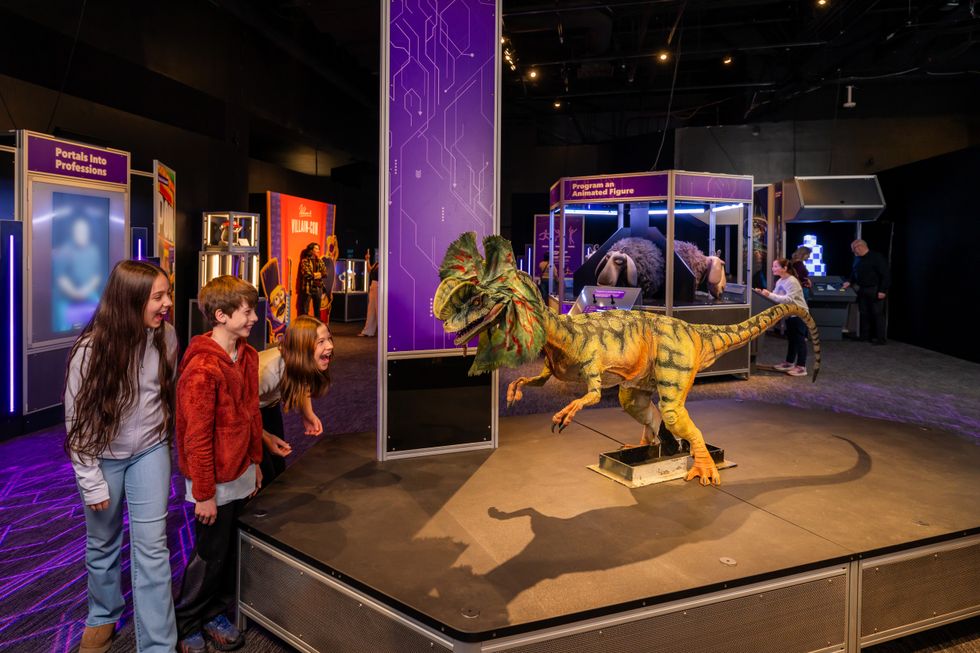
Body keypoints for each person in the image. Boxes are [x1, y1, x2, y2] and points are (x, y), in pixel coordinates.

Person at [64, 260, 177, 653]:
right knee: (103, 542)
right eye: (158, 297)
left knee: (152, 547)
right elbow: (76, 422)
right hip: (102, 457)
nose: (167, 304)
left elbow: (164, 394)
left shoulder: (167, 337)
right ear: (129, 300)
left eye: (168, 294)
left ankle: (159, 645)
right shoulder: (90, 350)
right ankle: (103, 614)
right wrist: (91, 480)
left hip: (150, 449)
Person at [173, 276, 264, 653]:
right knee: (208, 556)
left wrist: (255, 461)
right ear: (221, 316)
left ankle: (214, 613)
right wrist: (205, 494)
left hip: (241, 471)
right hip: (213, 484)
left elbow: (252, 414)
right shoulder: (201, 369)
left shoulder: (247, 355)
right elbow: (196, 438)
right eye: (247, 312)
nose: (255, 318)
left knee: (229, 552)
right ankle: (188, 621)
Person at [258, 315, 333, 483]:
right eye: (321, 342)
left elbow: (303, 381)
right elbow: (238, 409)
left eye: (328, 339)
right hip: (244, 414)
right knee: (263, 472)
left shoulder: (300, 362)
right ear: (302, 347)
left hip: (269, 405)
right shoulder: (268, 372)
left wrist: (308, 413)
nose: (330, 346)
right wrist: (264, 436)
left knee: (278, 465)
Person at [754, 258, 809, 377]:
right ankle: (789, 363)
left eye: (775, 266)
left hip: (799, 313)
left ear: (784, 268)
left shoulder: (792, 281)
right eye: (773, 266)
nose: (773, 268)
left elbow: (789, 299)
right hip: (790, 314)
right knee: (792, 339)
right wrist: (762, 294)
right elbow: (775, 296)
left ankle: (801, 367)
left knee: (799, 340)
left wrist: (770, 294)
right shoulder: (780, 281)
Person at [842, 239, 890, 345]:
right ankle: (864, 336)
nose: (854, 252)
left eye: (854, 249)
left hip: (875, 289)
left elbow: (885, 275)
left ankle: (880, 339)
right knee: (864, 313)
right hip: (862, 289)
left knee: (877, 314)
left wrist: (882, 290)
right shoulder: (857, 259)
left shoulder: (877, 257)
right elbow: (854, 273)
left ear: (860, 247)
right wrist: (849, 281)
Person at [296, 242, 328, 318]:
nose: (318, 250)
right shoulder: (305, 261)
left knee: (317, 311)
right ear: (311, 250)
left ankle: (317, 327)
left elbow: (325, 273)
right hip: (308, 288)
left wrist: (316, 274)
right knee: (305, 310)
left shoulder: (320, 261)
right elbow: (307, 274)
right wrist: (319, 274)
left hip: (318, 288)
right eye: (316, 248)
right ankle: (305, 328)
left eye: (318, 249)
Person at [359, 249, 379, 337]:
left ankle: (383, 332)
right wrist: (367, 260)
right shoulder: (377, 263)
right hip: (373, 286)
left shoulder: (387, 262)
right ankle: (367, 331)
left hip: (380, 286)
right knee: (371, 310)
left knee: (379, 310)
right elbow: (369, 270)